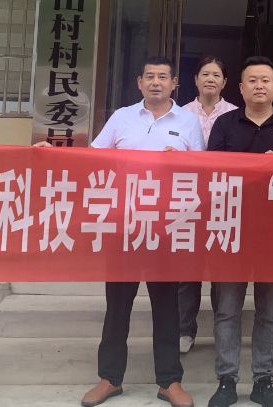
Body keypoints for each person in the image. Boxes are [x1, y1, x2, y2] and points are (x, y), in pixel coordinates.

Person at [78, 56, 204, 407]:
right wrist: (52, 155)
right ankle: (110, 378)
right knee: (117, 306)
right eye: (149, 76)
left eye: (163, 77)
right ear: (139, 82)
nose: (156, 82)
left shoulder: (188, 121)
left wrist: (183, 162)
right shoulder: (122, 117)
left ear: (175, 83)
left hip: (166, 227)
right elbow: (92, 158)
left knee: (166, 308)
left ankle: (169, 381)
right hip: (125, 225)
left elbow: (204, 170)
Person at [206, 56, 273, 407]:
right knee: (227, 309)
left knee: (269, 310)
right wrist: (253, 167)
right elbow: (211, 173)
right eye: (252, 80)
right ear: (240, 87)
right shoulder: (224, 123)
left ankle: (264, 379)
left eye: (266, 80)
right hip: (232, 228)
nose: (259, 85)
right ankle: (226, 380)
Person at [178, 56, 238, 353]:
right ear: (196, 80)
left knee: (221, 271)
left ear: (225, 82)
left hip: (224, 200)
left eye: (216, 74)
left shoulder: (236, 115)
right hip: (187, 199)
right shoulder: (180, 114)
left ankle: (222, 331)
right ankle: (184, 330)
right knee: (187, 271)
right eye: (205, 74)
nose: (210, 79)